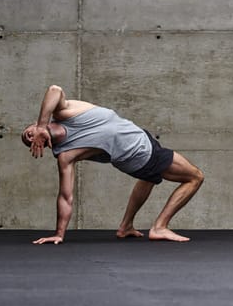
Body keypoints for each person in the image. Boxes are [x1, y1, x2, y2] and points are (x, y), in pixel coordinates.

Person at [22, 85, 204, 244]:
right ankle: (160, 227)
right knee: (195, 177)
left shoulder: (64, 113)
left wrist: (41, 127)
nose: (30, 138)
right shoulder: (65, 155)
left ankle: (125, 227)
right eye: (28, 142)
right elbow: (65, 197)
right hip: (140, 153)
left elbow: (54, 90)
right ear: (40, 146)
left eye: (28, 133)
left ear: (34, 124)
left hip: (141, 138)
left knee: (149, 178)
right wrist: (59, 234)